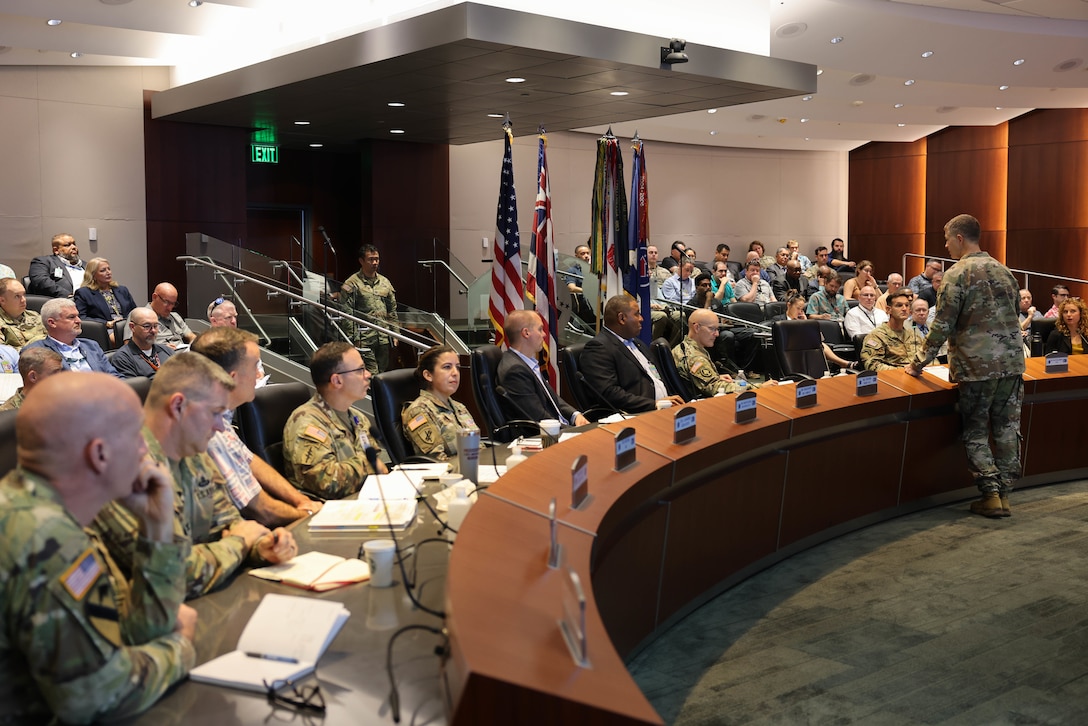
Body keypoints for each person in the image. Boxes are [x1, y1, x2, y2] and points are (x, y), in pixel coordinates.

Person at [0, 372, 196, 723]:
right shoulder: (46, 538)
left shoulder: (35, 508)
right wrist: (180, 648)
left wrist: (156, 526)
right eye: (137, 435)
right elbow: (99, 696)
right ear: (100, 454)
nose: (145, 448)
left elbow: (129, 634)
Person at [91, 353, 297, 599]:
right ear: (178, 406)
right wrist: (239, 544)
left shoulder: (193, 453)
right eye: (215, 413)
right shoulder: (123, 470)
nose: (221, 427)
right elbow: (172, 576)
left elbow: (231, 525)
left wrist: (263, 547)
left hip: (216, 599)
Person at [907, 214, 1024, 519]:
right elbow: (1014, 316)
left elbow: (942, 324)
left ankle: (991, 495)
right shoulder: (1005, 271)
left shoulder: (957, 274)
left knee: (975, 430)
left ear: (960, 238)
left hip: (977, 366)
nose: (945, 246)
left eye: (946, 239)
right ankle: (1006, 492)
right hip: (1011, 364)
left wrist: (918, 363)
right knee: (1008, 428)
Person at [192, 327, 322, 525]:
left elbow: (249, 459)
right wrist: (311, 514)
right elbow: (261, 510)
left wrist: (301, 500)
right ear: (232, 378)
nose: (259, 375)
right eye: (255, 367)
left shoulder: (219, 415)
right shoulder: (207, 430)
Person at [283, 341, 388, 499]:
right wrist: (369, 465)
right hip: (328, 512)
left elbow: (379, 465)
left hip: (364, 499)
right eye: (360, 370)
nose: (368, 375)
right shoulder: (307, 422)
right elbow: (325, 482)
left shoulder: (357, 418)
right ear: (337, 381)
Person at [580, 295, 684, 413]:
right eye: (637, 314)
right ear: (622, 318)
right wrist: (654, 404)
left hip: (667, 409)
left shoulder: (638, 343)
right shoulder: (598, 348)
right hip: (638, 414)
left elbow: (655, 377)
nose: (641, 319)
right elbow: (609, 393)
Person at [497, 309, 588, 427]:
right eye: (540, 329)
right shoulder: (514, 371)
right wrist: (573, 431)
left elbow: (552, 399)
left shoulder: (526, 363)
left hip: (559, 429)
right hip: (545, 437)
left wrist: (575, 415)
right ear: (526, 333)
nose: (544, 334)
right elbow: (539, 417)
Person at [402, 345, 479, 467]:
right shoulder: (418, 412)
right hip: (449, 478)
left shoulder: (459, 407)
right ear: (428, 375)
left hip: (476, 469)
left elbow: (478, 446)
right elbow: (436, 460)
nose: (455, 373)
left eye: (457, 367)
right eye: (447, 367)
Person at [340, 244, 399, 374]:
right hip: (364, 338)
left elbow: (392, 310)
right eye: (371, 259)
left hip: (383, 336)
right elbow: (346, 312)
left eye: (377, 259)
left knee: (382, 373)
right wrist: (354, 338)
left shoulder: (385, 282)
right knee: (372, 373)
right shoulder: (352, 283)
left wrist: (395, 333)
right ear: (361, 261)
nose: (375, 262)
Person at [25, 297, 120, 376]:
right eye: (71, 317)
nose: (79, 321)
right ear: (52, 323)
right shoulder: (35, 351)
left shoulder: (91, 345)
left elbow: (113, 375)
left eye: (78, 316)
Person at [772, 292, 858, 373]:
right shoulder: (778, 320)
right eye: (798, 308)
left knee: (820, 344)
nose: (799, 312)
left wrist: (805, 323)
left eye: (802, 309)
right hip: (789, 350)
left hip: (805, 349)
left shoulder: (802, 320)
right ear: (789, 305)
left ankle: (842, 364)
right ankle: (844, 363)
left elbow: (819, 338)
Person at [672, 308, 742, 398]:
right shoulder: (695, 358)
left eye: (717, 329)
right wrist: (756, 387)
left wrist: (716, 377)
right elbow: (714, 388)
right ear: (697, 327)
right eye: (712, 329)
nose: (716, 334)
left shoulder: (683, 347)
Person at [73, 257, 137, 344]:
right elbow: (82, 317)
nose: (108, 272)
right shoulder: (84, 293)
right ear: (93, 275)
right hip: (106, 330)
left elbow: (134, 311)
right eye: (103, 270)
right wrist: (106, 323)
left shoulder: (121, 289)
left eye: (109, 269)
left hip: (127, 326)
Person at [860, 290, 924, 371]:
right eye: (899, 305)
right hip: (893, 377)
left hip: (917, 375)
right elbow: (871, 364)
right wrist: (903, 370)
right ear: (888, 310)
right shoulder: (877, 336)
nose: (904, 309)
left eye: (907, 305)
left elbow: (925, 357)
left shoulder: (913, 335)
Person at [112, 307, 175, 379]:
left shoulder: (167, 351)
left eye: (156, 326)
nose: (153, 330)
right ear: (132, 327)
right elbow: (134, 388)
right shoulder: (122, 359)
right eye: (147, 326)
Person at [0, 347, 64, 411]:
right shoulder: (8, 415)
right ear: (33, 377)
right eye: (55, 373)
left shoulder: (63, 402)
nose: (61, 378)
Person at [27, 233, 84, 298]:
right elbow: (41, 281)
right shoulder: (43, 262)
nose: (74, 247)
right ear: (56, 250)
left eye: (74, 244)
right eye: (67, 245)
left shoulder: (85, 265)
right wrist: (69, 296)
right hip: (64, 301)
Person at [0, 278, 46, 348]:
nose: (23, 300)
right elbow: (3, 354)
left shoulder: (35, 316)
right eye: (17, 296)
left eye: (24, 295)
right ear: (2, 300)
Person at [149, 282, 196, 348]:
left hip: (182, 353)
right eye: (166, 302)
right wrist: (161, 348)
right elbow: (131, 345)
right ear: (154, 297)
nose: (170, 308)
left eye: (173, 304)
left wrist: (197, 343)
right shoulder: (140, 316)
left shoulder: (175, 316)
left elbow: (190, 336)